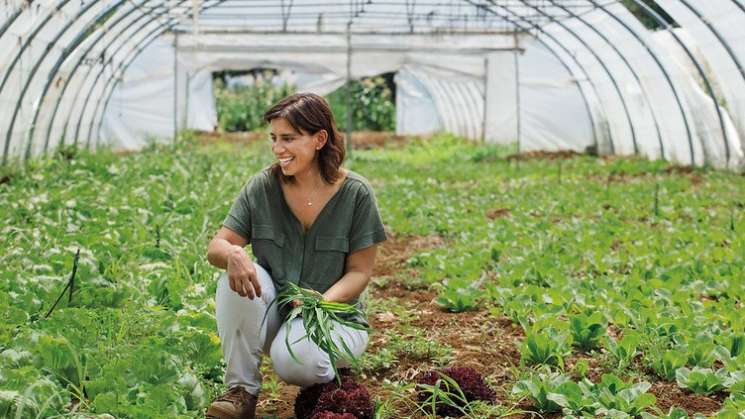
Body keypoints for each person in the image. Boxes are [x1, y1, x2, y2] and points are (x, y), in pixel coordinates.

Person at [205, 93, 387, 419]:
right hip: (279, 312)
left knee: (297, 363)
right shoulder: (262, 186)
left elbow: (359, 272)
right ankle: (241, 392)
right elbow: (217, 245)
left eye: (288, 138)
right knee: (233, 278)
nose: (278, 149)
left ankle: (333, 377)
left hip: (334, 317)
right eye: (274, 139)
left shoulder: (356, 193)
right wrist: (233, 253)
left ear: (319, 139)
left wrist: (318, 303)